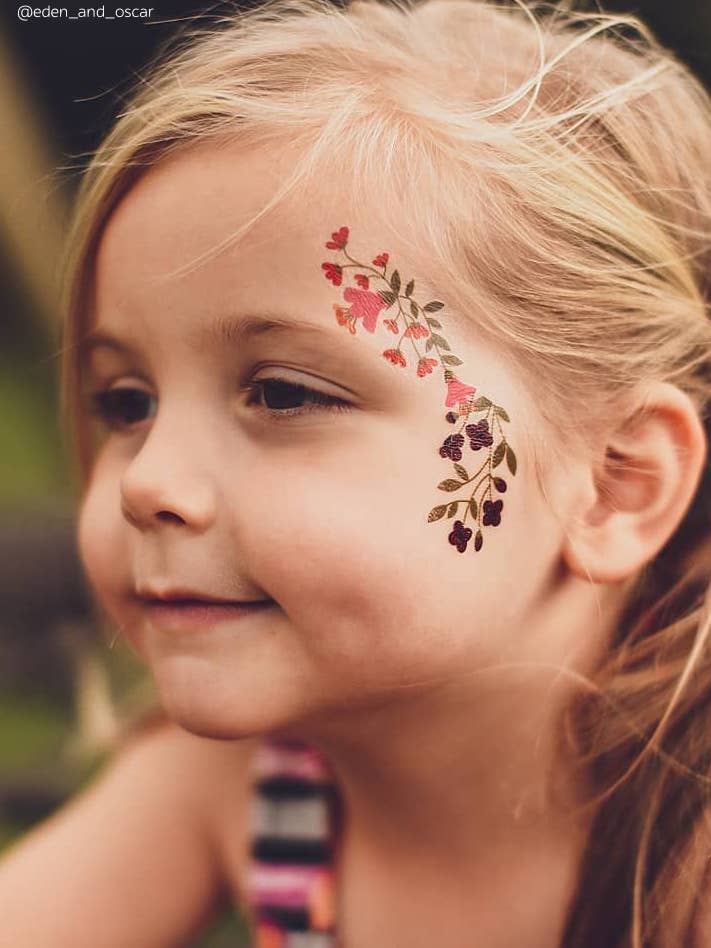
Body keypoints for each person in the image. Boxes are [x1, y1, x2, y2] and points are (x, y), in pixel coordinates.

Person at [1, 0, 710, 944]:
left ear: (616, 482)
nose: (146, 480)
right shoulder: (242, 781)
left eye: (286, 394)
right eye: (127, 402)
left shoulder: (685, 857)